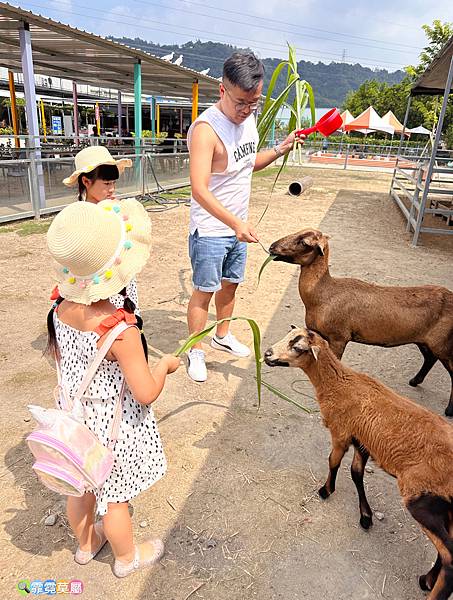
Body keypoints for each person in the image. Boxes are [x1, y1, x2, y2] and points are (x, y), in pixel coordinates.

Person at [46, 199, 180, 577]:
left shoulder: (59, 308)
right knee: (115, 499)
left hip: (75, 419)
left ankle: (87, 546)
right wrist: (165, 366)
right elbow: (145, 392)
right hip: (111, 427)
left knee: (80, 488)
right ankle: (126, 558)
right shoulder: (120, 330)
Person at [186, 51, 304, 382]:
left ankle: (222, 335)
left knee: (230, 286)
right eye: (241, 102)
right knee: (204, 291)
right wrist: (234, 223)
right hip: (211, 230)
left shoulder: (248, 120)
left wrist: (280, 148)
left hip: (238, 227)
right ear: (223, 90)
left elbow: (247, 162)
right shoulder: (206, 130)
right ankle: (195, 350)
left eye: (254, 103)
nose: (247, 110)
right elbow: (199, 189)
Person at [61, 146, 138, 311]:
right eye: (106, 183)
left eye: (114, 183)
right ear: (86, 182)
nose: (112, 189)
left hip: (119, 280)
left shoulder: (114, 209)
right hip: (94, 283)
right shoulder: (79, 217)